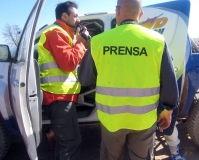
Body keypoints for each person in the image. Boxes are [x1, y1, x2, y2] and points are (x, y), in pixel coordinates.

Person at [78, 0, 179, 159]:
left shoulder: (98, 42)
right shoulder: (157, 41)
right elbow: (169, 81)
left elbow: (84, 79)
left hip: (111, 120)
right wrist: (168, 109)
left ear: (117, 11)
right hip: (143, 120)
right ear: (141, 14)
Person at [37, 1, 89, 159]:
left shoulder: (65, 34)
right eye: (75, 15)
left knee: (65, 143)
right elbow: (68, 63)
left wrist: (79, 40)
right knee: (70, 143)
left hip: (62, 97)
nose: (78, 19)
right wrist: (81, 42)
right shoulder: (55, 32)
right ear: (64, 16)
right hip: (58, 98)